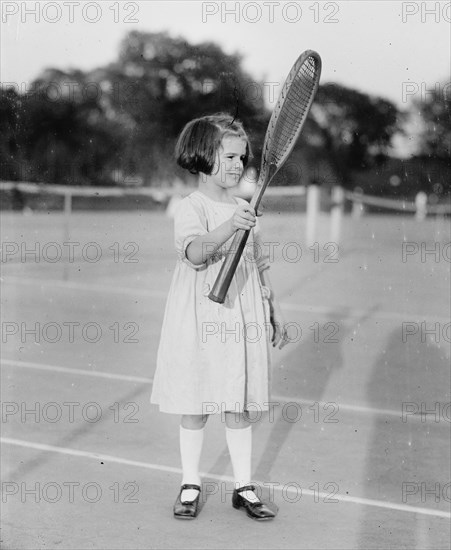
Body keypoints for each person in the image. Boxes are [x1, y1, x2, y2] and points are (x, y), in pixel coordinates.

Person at [150, 113, 288, 520]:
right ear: (201, 155)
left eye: (241, 158)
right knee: (195, 402)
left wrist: (271, 307)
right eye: (228, 156)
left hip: (240, 313)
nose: (237, 165)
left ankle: (243, 487)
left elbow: (258, 264)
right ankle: (190, 483)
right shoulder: (191, 206)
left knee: (237, 403)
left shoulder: (246, 206)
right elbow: (194, 253)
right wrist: (231, 225)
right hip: (198, 313)